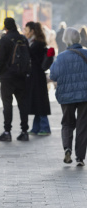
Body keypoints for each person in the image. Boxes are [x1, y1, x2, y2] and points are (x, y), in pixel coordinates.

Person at [50, 27, 87, 166]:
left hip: (66, 96)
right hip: (85, 95)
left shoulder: (61, 57)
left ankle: (67, 149)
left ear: (66, 40)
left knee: (67, 123)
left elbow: (53, 75)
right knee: (83, 125)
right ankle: (80, 157)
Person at [0, 17, 29, 142]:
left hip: (7, 77)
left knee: (7, 105)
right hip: (21, 76)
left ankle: (7, 131)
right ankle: (24, 131)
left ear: (5, 27)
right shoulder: (23, 38)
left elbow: (0, 58)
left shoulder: (4, 39)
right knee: (22, 104)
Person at [25, 22, 51, 136]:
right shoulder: (36, 43)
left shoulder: (37, 44)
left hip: (37, 77)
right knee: (37, 102)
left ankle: (45, 127)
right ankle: (36, 127)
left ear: (32, 31)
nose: (25, 32)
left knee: (39, 102)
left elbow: (29, 56)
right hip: (36, 76)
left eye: (26, 30)